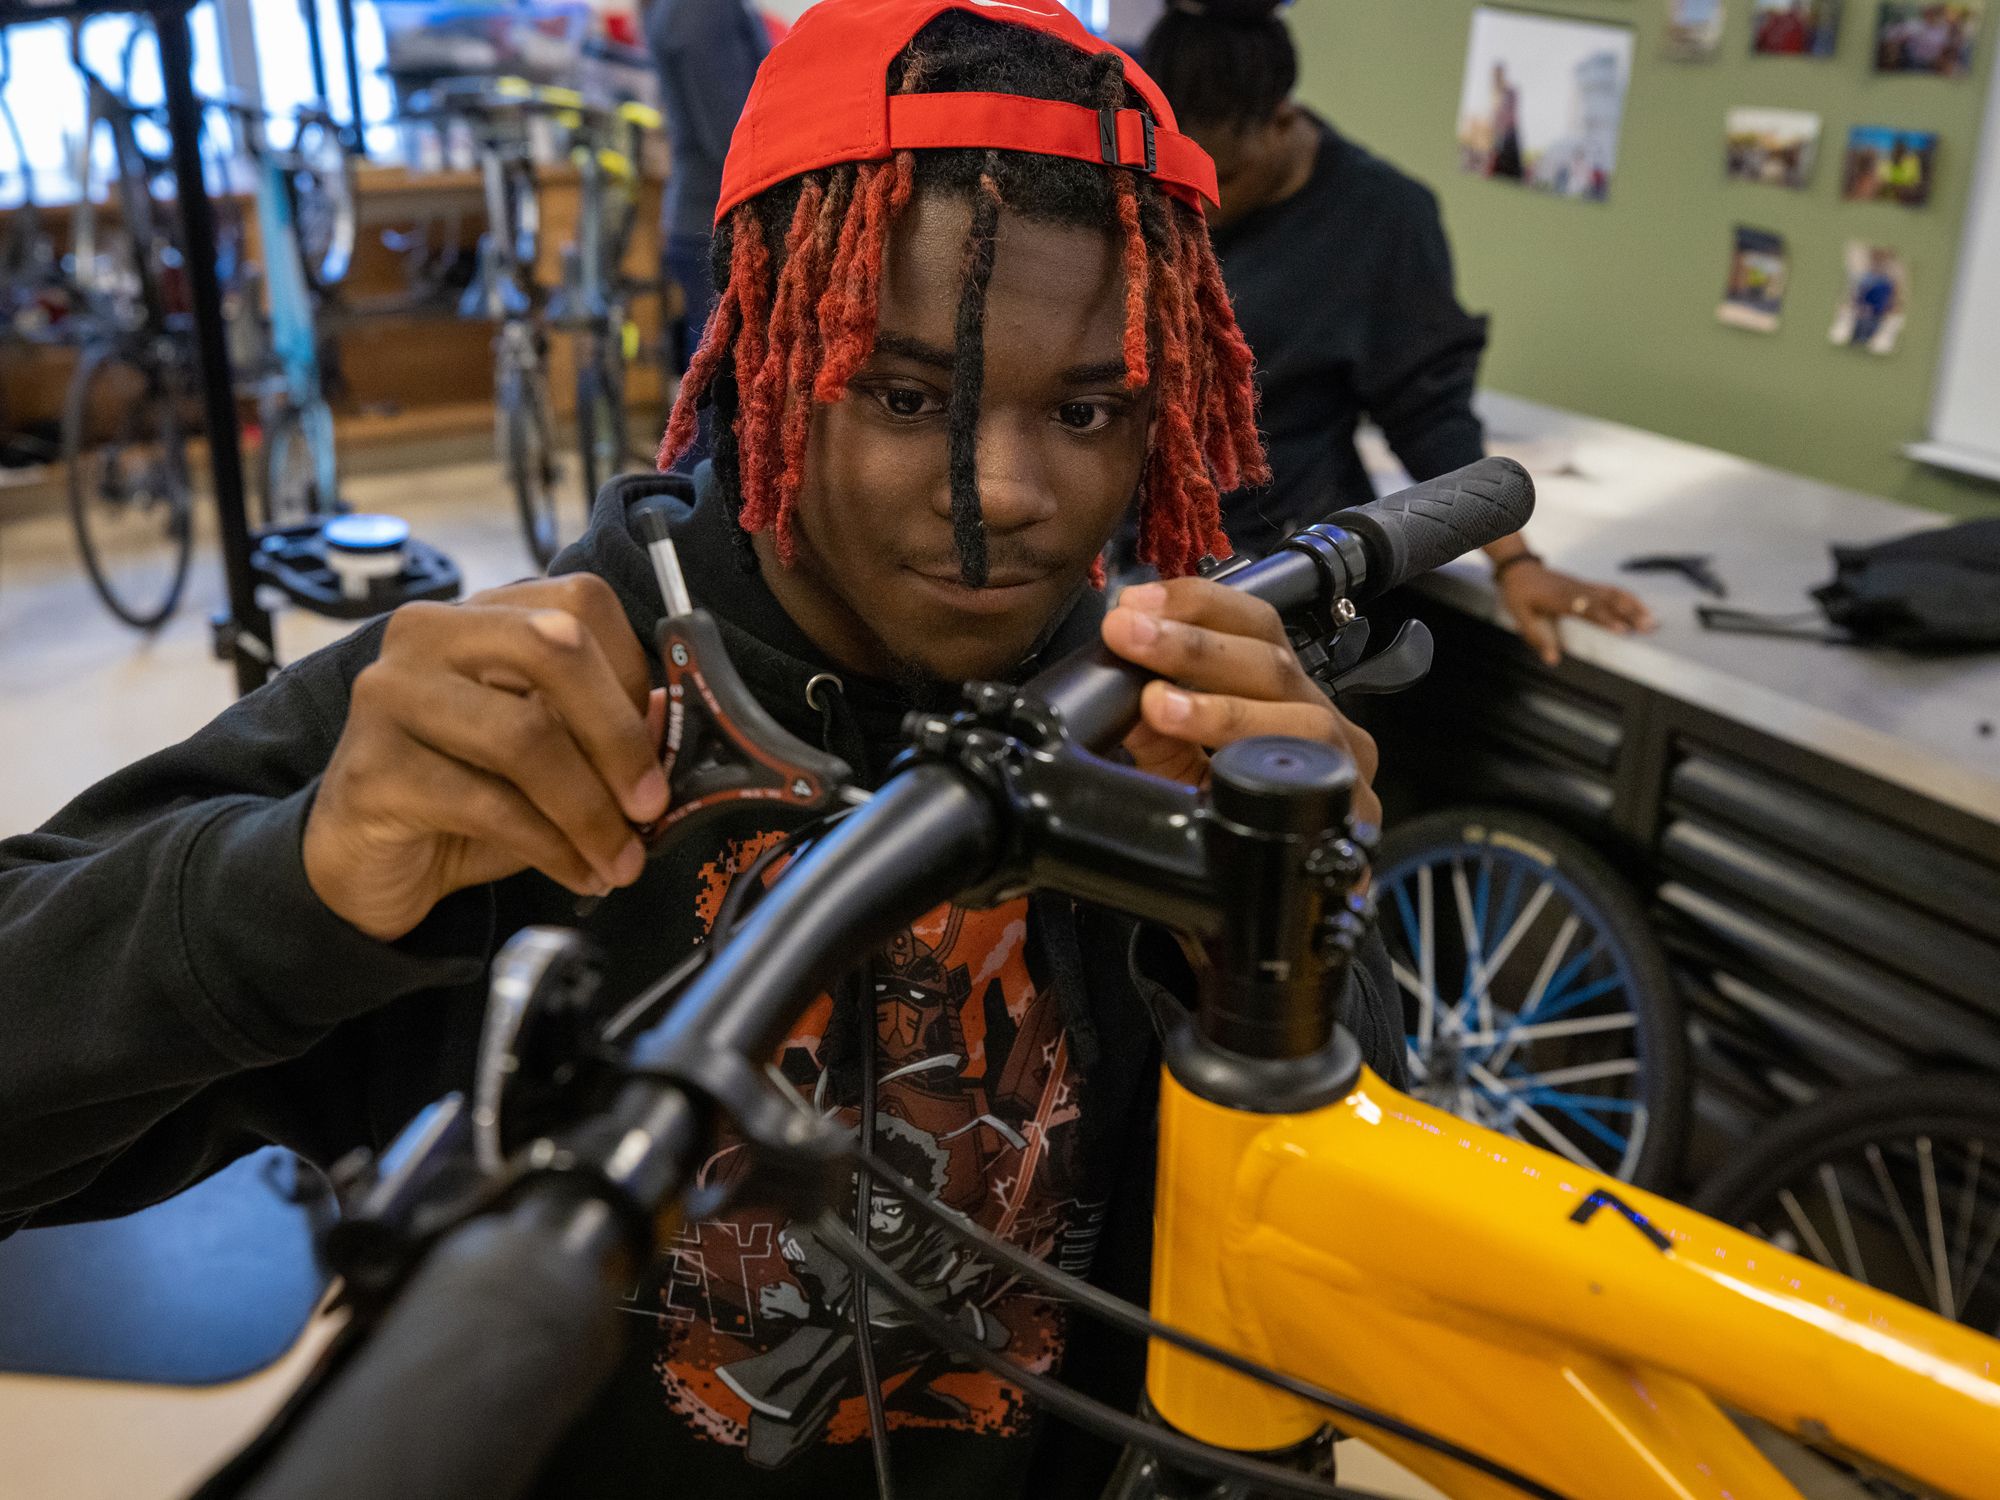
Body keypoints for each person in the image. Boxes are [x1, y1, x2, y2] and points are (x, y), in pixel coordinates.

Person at [0, 3, 1401, 1496]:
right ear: (766, 350)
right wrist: (292, 886)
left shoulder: (1161, 736)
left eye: (1087, 407)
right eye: (908, 393)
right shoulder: (509, 736)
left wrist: (1292, 935)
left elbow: (1350, 1279)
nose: (1006, 496)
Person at [1140, 0, 1653, 667]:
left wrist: (1516, 562)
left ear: (1282, 120)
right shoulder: (1138, 186)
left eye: (1225, 177)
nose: (1198, 204)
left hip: (1274, 567)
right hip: (1137, 545)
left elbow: (1427, 409)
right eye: (1178, 178)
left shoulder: (1379, 220)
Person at [645, 0, 770, 373]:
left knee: (718, 391)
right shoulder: (701, 9)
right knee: (723, 403)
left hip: (705, 214)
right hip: (719, 219)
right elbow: (731, 135)